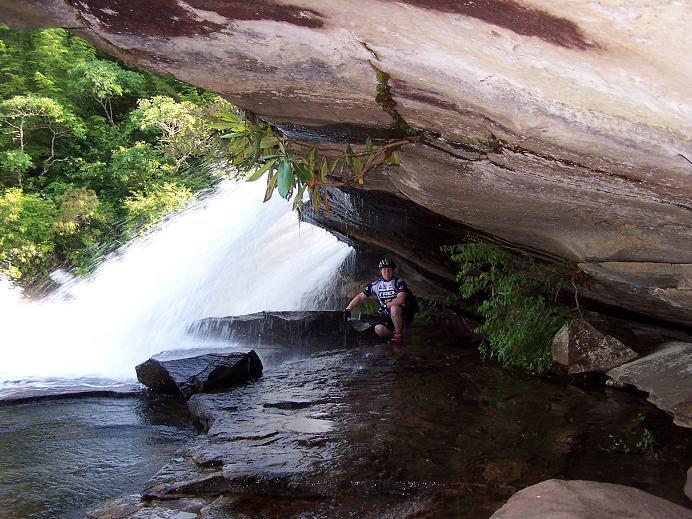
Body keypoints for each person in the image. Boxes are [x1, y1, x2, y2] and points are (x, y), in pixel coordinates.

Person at [344, 258, 417, 345]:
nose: (387, 271)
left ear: (393, 270)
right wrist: (348, 309)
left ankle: (398, 335)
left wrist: (387, 305)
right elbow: (360, 297)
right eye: (384, 269)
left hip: (403, 313)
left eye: (389, 269)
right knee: (378, 329)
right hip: (387, 315)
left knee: (394, 308)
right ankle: (393, 334)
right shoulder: (376, 285)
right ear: (380, 271)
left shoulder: (399, 282)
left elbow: (401, 299)